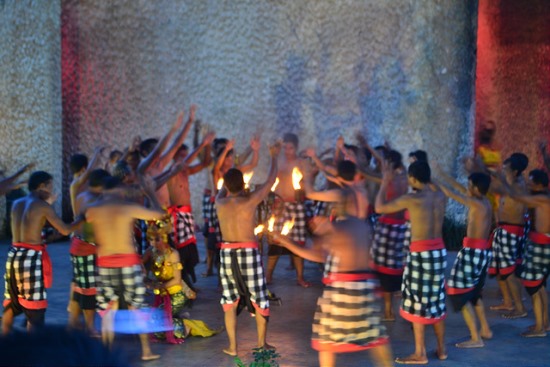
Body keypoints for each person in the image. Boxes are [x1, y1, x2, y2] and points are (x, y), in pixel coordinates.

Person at [272, 188, 392, 367]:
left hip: (344, 289)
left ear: (338, 208)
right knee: (375, 335)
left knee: (326, 340)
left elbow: (317, 255)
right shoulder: (362, 225)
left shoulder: (337, 229)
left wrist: (286, 241)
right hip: (365, 286)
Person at [86, 175, 164, 361]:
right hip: (128, 262)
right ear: (120, 190)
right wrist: (151, 192)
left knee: (106, 312)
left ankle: (105, 355)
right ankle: (146, 351)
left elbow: (87, 227)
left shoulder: (93, 210)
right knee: (137, 307)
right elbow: (159, 214)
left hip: (105, 263)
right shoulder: (127, 207)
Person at [375, 160, 447, 364]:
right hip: (438, 254)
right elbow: (432, 183)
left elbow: (380, 206)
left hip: (420, 255)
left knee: (417, 304)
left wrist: (385, 182)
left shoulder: (413, 199)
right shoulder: (440, 196)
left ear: (413, 179)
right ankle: (442, 349)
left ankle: (420, 353)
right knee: (436, 301)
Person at [215, 141, 279, 356]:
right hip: (247, 253)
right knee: (259, 297)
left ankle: (233, 347)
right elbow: (270, 181)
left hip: (226, 253)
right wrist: (274, 156)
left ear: (225, 185)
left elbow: (223, 188)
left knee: (229, 300)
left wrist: (229, 180)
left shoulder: (219, 203)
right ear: (243, 185)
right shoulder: (250, 200)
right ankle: (261, 344)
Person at [2, 171, 83, 334]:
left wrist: (48, 204)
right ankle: (34, 351)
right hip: (30, 259)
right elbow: (65, 230)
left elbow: (30, 224)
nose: (51, 191)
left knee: (12, 302)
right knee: (35, 311)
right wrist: (81, 220)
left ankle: (5, 344)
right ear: (42, 186)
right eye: (50, 187)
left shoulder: (17, 203)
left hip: (13, 255)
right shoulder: (42, 206)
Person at [435, 168, 493, 348]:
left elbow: (454, 194)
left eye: (469, 186)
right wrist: (442, 173)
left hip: (472, 254)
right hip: (481, 253)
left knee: (459, 293)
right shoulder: (484, 202)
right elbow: (459, 189)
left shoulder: (477, 204)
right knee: (475, 293)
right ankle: (485, 329)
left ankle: (476, 338)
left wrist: (436, 182)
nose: (466, 188)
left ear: (475, 188)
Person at [142, 220, 221, 344]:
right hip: (162, 294)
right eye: (151, 240)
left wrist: (158, 285)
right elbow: (141, 267)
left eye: (157, 239)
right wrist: (146, 279)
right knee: (155, 327)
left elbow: (177, 280)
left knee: (158, 320)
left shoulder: (173, 254)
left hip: (177, 293)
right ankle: (176, 318)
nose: (153, 243)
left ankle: (185, 326)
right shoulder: (150, 251)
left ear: (165, 237)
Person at [498, 169, 550, 337]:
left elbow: (520, 198)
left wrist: (504, 181)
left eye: (531, 182)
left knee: (534, 287)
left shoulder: (541, 198)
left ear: (540, 184)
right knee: (540, 287)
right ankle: (544, 324)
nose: (528, 184)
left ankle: (540, 329)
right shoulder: (543, 195)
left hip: (540, 246)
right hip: (540, 244)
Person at [166, 132, 215, 291]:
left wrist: (207, 146)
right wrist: (202, 143)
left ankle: (187, 284)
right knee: (182, 253)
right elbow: (187, 162)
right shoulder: (172, 171)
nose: (185, 160)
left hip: (186, 215)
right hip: (178, 216)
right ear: (174, 157)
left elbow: (206, 163)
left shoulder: (185, 171)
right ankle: (183, 286)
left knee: (190, 254)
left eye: (186, 156)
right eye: (182, 156)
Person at [68, 169, 110, 335]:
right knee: (89, 290)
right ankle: (90, 327)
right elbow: (90, 230)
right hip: (87, 249)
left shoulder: (81, 196)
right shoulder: (95, 201)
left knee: (80, 287)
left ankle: (73, 323)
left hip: (78, 247)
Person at [486, 153, 528, 319]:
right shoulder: (511, 183)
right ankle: (509, 302)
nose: (503, 172)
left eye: (506, 170)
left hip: (511, 230)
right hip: (504, 229)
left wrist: (493, 174)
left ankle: (519, 307)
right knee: (500, 270)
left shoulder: (518, 185)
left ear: (516, 172)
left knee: (509, 270)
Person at [266, 133, 311, 287]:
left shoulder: (302, 163)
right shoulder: (278, 161)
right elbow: (271, 179)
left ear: (296, 148)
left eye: (290, 148)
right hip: (280, 204)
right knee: (276, 241)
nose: (287, 151)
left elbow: (307, 183)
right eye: (285, 148)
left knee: (298, 242)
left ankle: (300, 277)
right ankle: (268, 275)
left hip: (296, 205)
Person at [370, 150, 409, 321]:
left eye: (385, 162)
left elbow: (379, 204)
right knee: (395, 266)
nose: (382, 165)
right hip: (401, 226)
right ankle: (391, 308)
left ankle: (388, 311)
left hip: (388, 226)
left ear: (390, 164)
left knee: (386, 269)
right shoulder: (406, 175)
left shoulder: (389, 178)